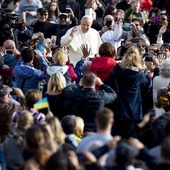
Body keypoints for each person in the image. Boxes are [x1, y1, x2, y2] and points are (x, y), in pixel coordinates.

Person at [106, 46, 152, 138]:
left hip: (119, 108)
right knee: (131, 138)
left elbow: (108, 82)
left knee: (117, 137)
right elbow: (149, 84)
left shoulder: (117, 70)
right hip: (134, 111)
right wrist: (144, 69)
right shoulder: (138, 74)